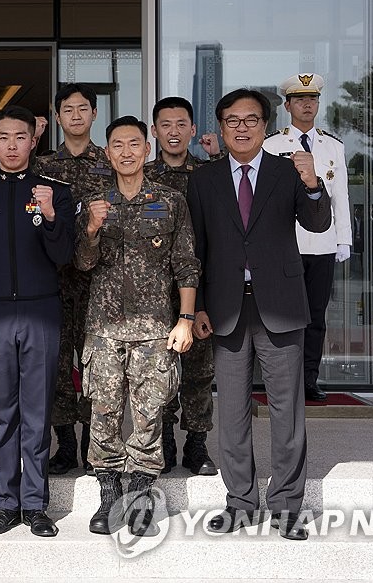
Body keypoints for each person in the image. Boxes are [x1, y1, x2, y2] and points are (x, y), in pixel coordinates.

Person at [187, 88, 331, 542]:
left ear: (265, 126)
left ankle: (287, 506)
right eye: (233, 120)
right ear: (221, 127)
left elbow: (317, 223)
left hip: (281, 305)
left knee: (287, 412)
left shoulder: (286, 171)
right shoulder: (203, 179)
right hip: (226, 309)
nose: (243, 127)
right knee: (231, 413)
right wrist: (199, 308)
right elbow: (197, 249)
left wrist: (312, 183)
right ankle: (240, 503)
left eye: (251, 119)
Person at [76, 116, 199, 537]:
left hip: (154, 328)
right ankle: (108, 493)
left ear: (146, 150)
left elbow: (186, 264)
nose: (126, 152)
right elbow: (82, 263)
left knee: (149, 415)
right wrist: (91, 228)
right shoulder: (94, 201)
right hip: (105, 329)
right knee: (104, 412)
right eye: (117, 145)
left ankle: (143, 493)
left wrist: (185, 319)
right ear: (107, 152)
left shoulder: (170, 202)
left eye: (134, 144)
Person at [0, 106, 74, 538]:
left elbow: (64, 256)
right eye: (3, 137)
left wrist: (49, 216)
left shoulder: (55, 191)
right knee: (2, 414)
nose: (11, 145)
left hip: (41, 312)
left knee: (36, 411)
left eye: (20, 137)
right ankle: (6, 503)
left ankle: (35, 504)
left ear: (33, 141)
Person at [36, 83, 112, 476]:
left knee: (99, 367)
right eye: (69, 109)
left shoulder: (112, 160)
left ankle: (95, 443)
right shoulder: (45, 167)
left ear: (94, 114)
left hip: (103, 281)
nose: (77, 115)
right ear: (58, 116)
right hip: (58, 281)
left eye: (84, 109)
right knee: (59, 363)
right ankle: (65, 444)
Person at [263, 74, 353, 402]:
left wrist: (344, 239)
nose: (307, 104)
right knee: (283, 316)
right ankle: (282, 381)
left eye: (312, 99)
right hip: (285, 245)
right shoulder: (271, 146)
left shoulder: (334, 147)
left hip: (322, 244)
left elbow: (340, 196)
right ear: (287, 105)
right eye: (300, 99)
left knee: (316, 316)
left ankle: (308, 379)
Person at [144, 96, 217, 476]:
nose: (173, 132)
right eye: (165, 125)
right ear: (154, 131)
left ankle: (197, 446)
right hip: (153, 293)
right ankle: (165, 442)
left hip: (200, 290)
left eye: (181, 124)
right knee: (158, 370)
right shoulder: (142, 178)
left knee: (199, 371)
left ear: (192, 129)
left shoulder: (209, 175)